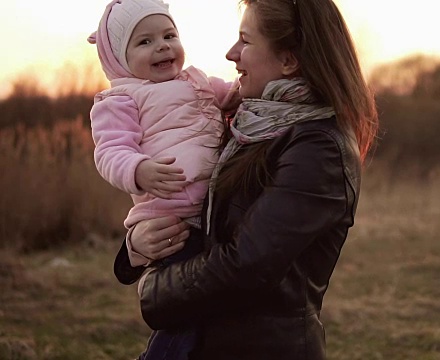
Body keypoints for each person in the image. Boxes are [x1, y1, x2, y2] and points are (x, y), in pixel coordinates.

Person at [114, 0, 379, 358]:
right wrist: (135, 249)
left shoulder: (318, 147)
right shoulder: (248, 124)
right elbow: (197, 212)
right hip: (205, 342)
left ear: (288, 60)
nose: (230, 54)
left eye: (245, 41)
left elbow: (247, 264)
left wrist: (154, 292)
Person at [87, 0, 240, 359]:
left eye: (169, 35)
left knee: (208, 308)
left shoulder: (198, 80)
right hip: (170, 222)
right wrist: (139, 170)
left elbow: (236, 93)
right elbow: (110, 151)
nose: (162, 46)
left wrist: (248, 91)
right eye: (144, 42)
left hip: (208, 210)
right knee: (184, 312)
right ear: (119, 60)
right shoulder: (120, 99)